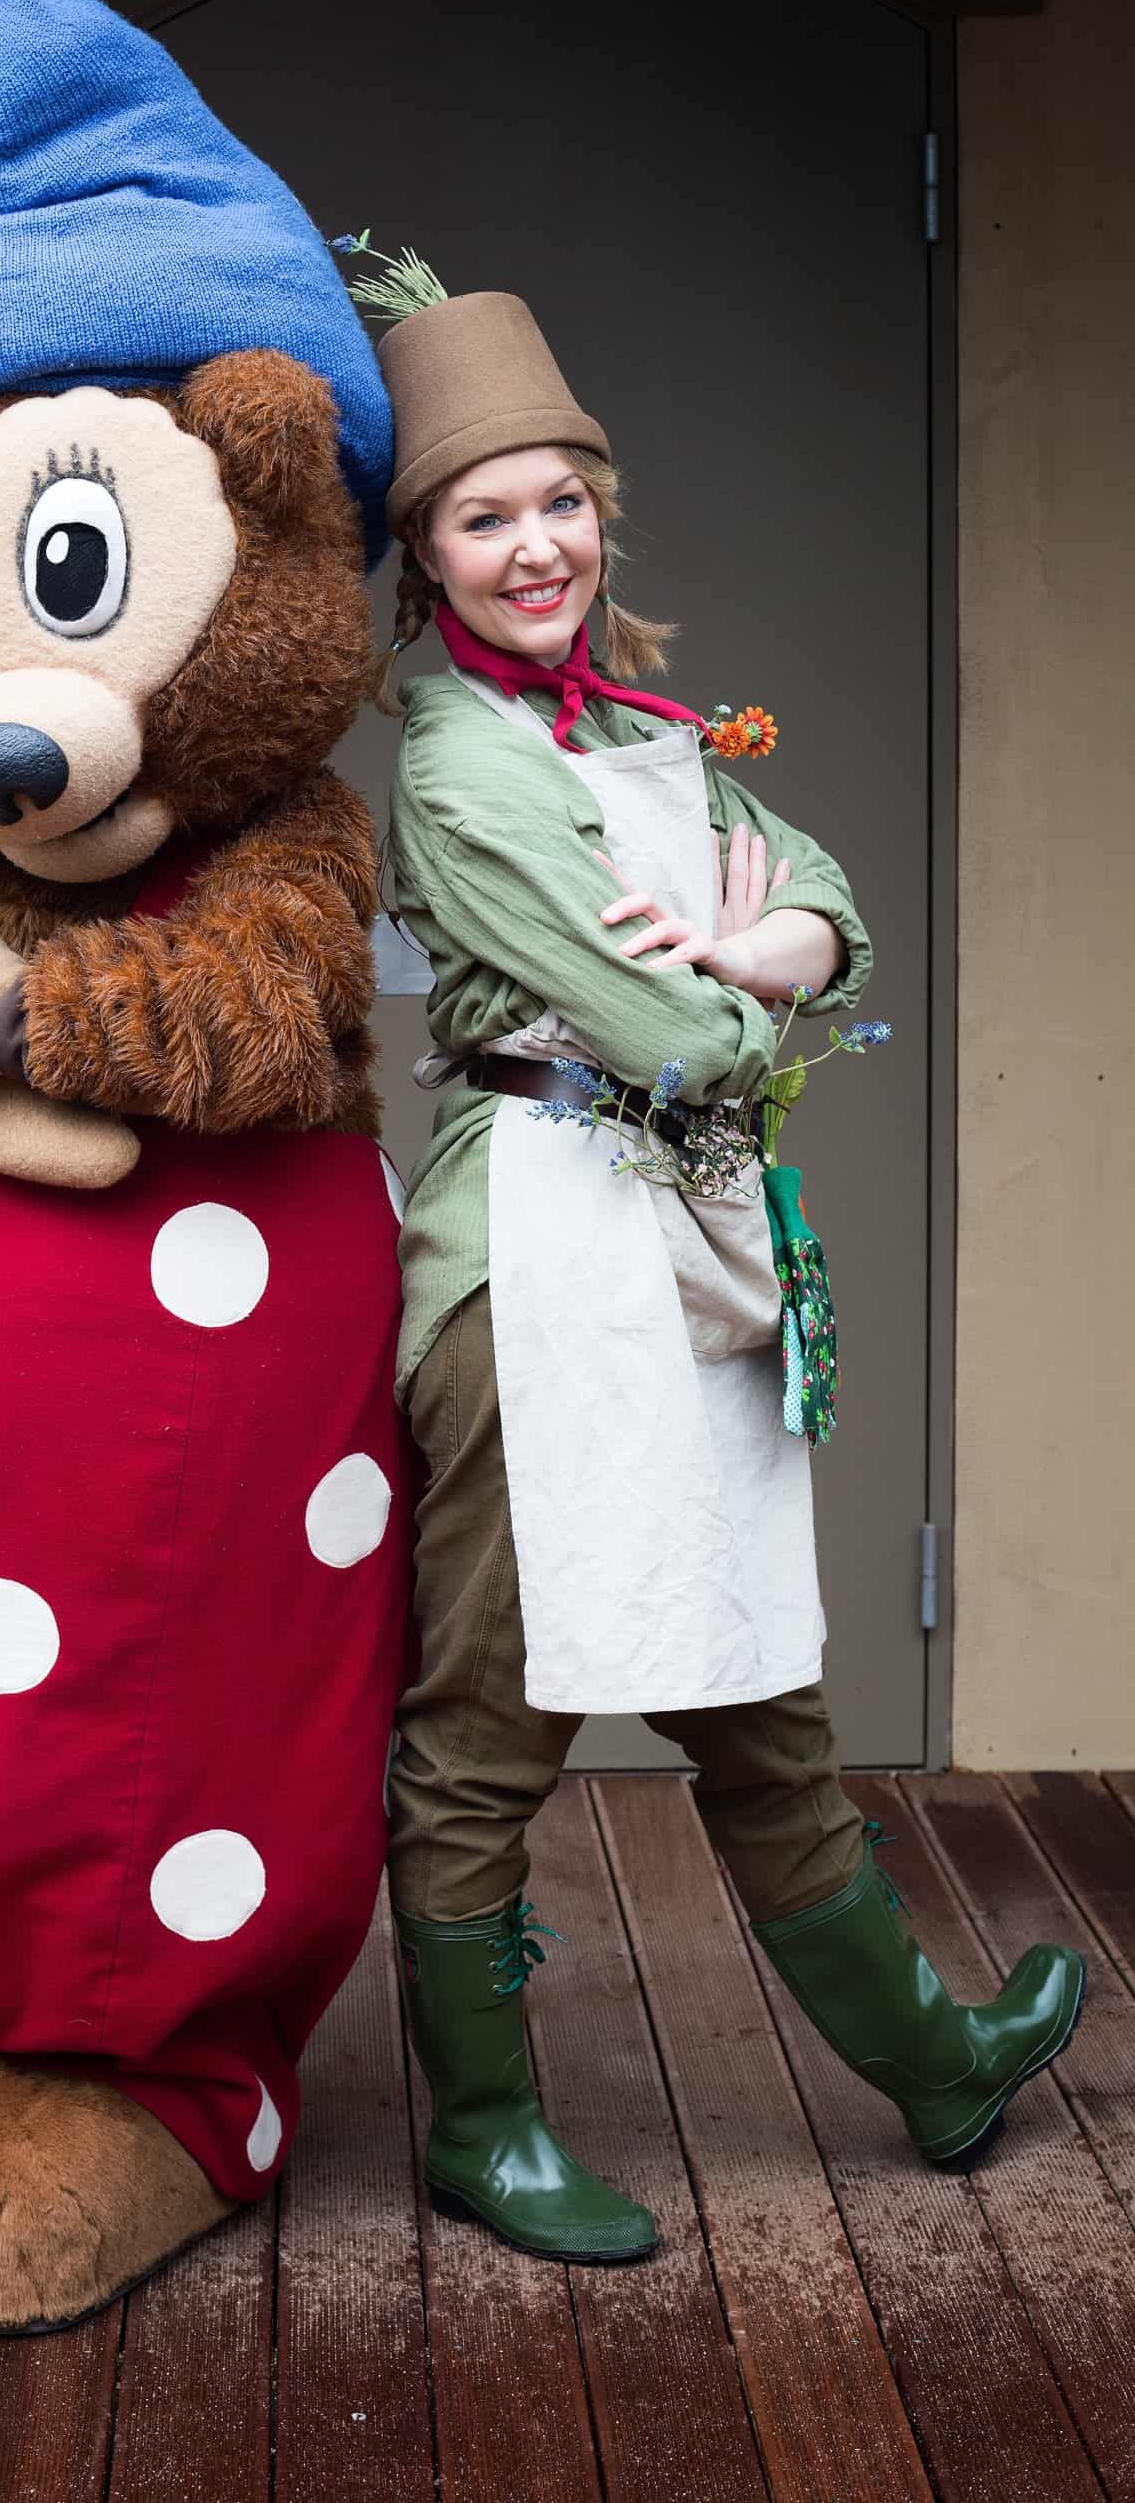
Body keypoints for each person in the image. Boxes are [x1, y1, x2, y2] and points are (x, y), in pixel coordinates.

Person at [378, 281, 1085, 2263]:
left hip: (684, 1251)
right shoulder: (453, 755)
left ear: (605, 516)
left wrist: (783, 947)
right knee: (491, 1725)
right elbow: (666, 1032)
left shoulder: (631, 723)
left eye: (559, 505)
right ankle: (486, 2131)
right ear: (424, 555)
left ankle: (933, 2061)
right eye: (483, 518)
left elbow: (829, 908)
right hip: (534, 1263)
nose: (536, 548)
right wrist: (745, 973)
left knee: (761, 1684)